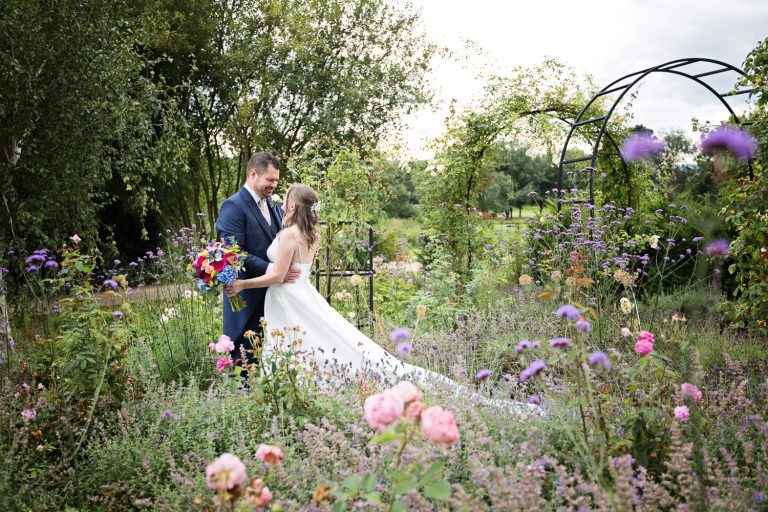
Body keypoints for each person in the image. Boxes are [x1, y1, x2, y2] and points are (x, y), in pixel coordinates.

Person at [224, 184, 536, 414]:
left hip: (289, 298)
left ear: (292, 207)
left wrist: (242, 284)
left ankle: (295, 397)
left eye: (287, 201)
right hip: (302, 293)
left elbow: (279, 276)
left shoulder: (290, 235)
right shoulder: (311, 235)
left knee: (302, 343)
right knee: (318, 340)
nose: (283, 205)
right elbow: (298, 269)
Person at [215, 152, 301, 366]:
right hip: (248, 300)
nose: (274, 185)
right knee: (244, 364)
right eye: (270, 180)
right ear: (253, 174)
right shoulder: (233, 206)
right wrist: (274, 269)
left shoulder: (272, 205)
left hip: (275, 299)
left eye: (276, 180)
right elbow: (235, 253)